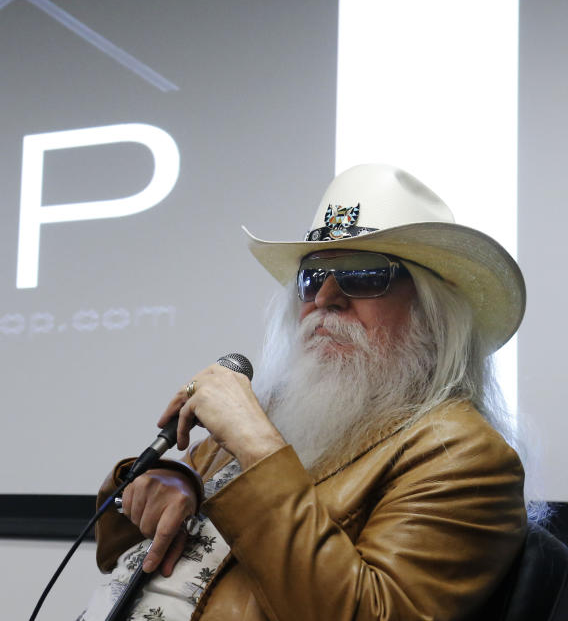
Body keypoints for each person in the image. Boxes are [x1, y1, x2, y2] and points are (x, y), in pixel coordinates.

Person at [79, 163, 529, 621]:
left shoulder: (466, 457)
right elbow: (114, 547)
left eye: (363, 274)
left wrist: (255, 444)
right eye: (313, 276)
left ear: (434, 313)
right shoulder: (283, 409)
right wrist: (175, 482)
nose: (326, 297)